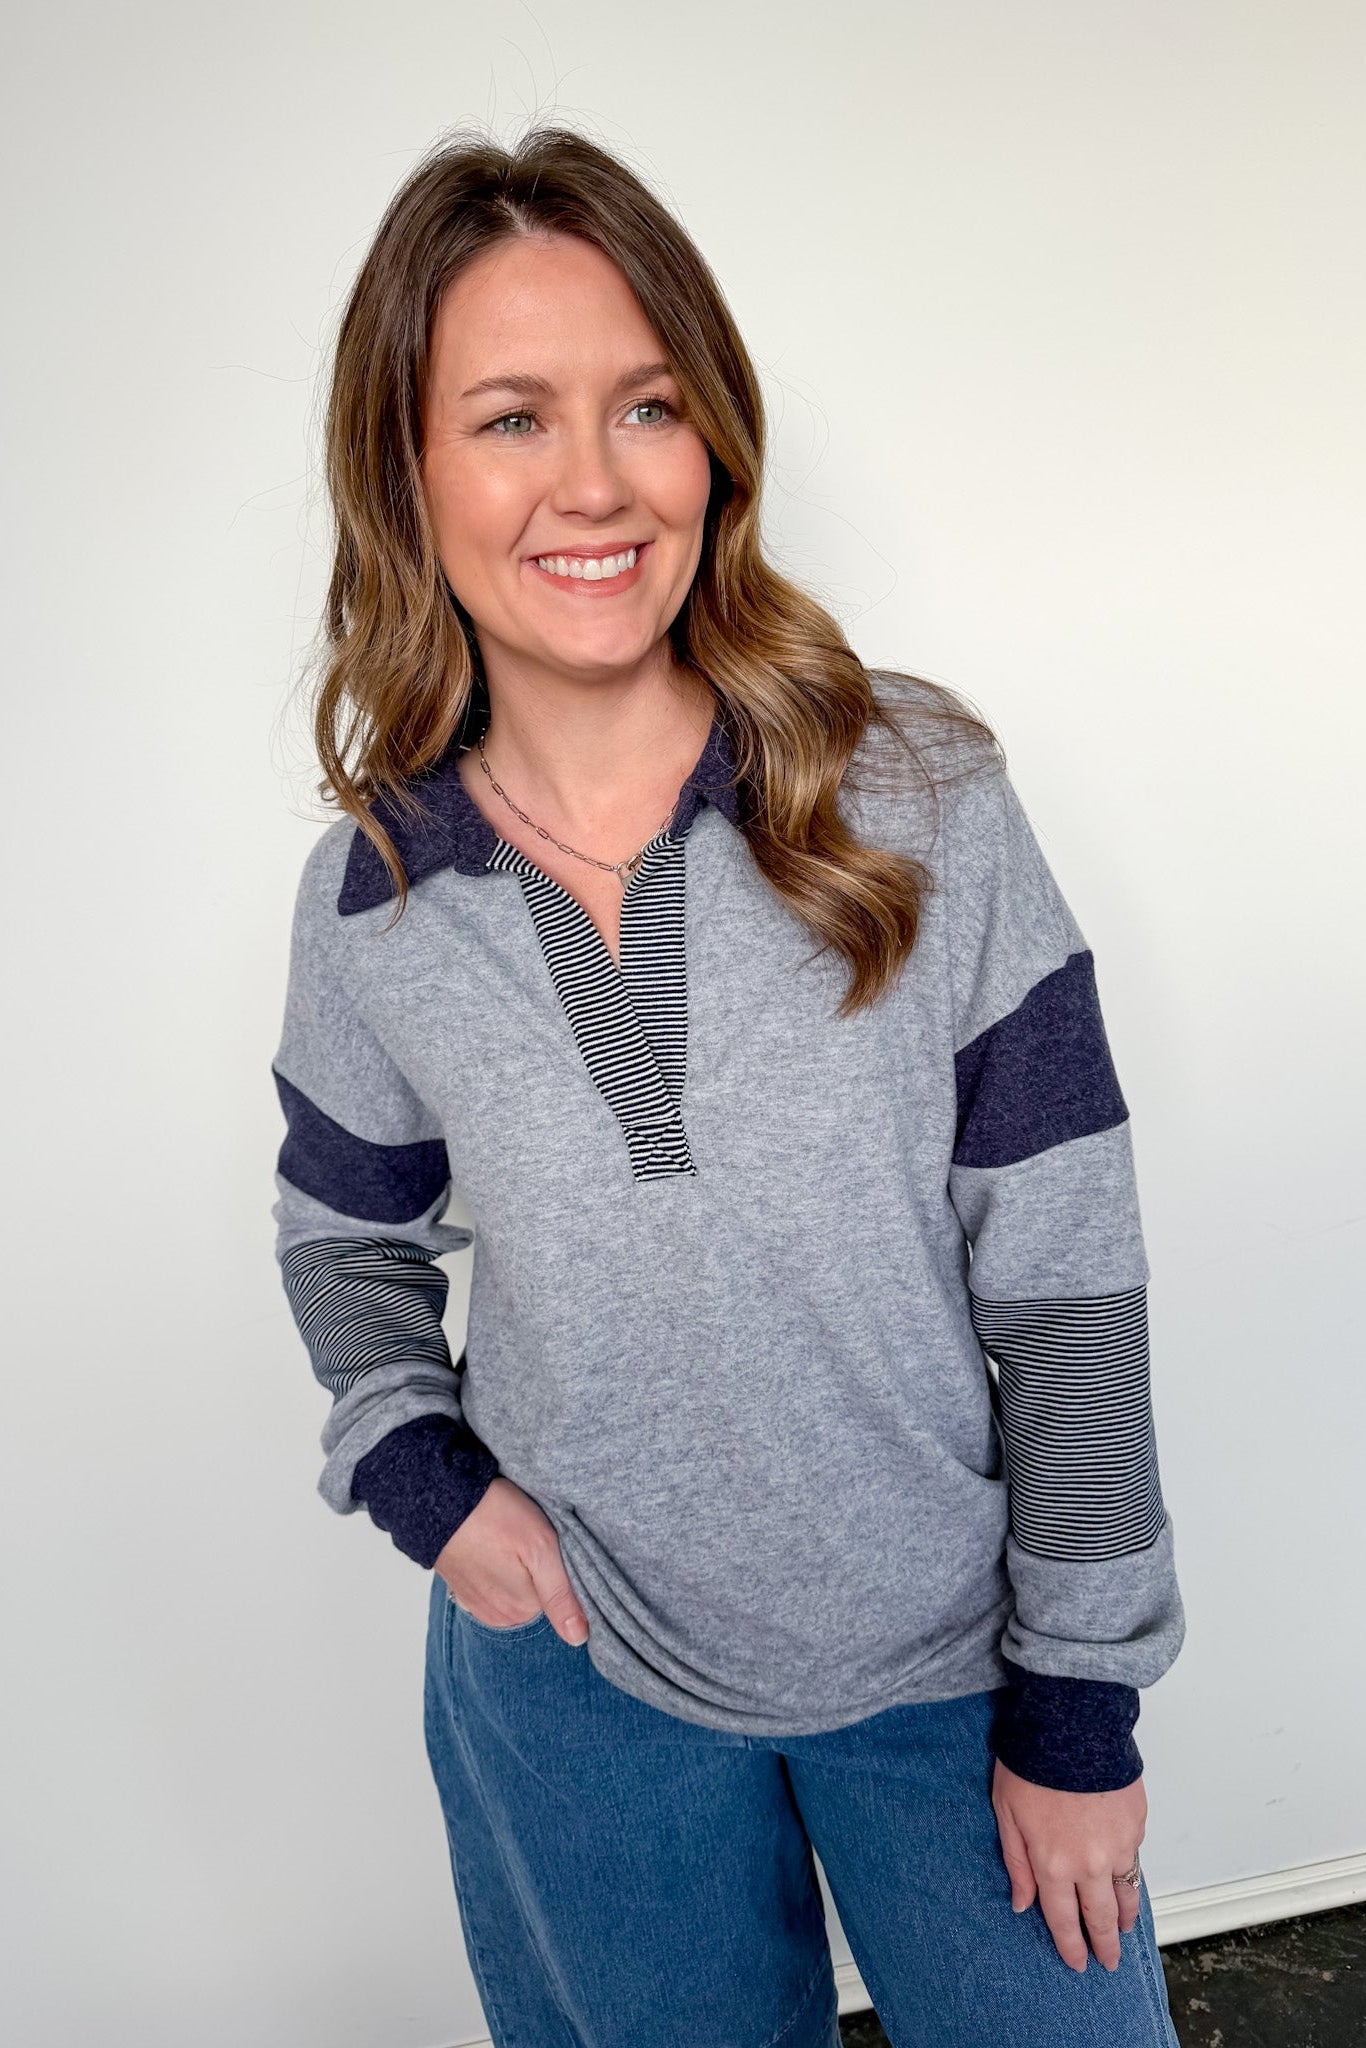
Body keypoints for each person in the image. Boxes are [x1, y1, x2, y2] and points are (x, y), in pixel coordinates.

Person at [269, 125, 1187, 2048]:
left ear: (716, 446)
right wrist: (436, 1494)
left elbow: (1069, 1284)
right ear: (405, 470)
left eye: (647, 407)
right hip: (573, 1677)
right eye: (510, 417)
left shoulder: (919, 793)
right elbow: (340, 1239)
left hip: (956, 1666)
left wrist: (1079, 1704)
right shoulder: (375, 895)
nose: (593, 483)